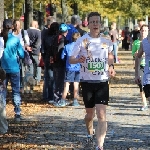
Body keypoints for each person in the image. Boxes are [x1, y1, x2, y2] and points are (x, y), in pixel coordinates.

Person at [70, 12, 115, 150]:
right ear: (88, 24)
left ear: (100, 24)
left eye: (97, 22)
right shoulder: (82, 41)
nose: (95, 24)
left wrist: (111, 66)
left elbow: (110, 55)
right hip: (87, 82)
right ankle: (90, 132)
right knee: (90, 114)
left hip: (102, 81)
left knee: (101, 114)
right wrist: (78, 59)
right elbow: (71, 59)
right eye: (93, 22)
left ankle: (99, 145)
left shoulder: (106, 40)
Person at [1, 19, 24, 122]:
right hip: (14, 68)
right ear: (12, 27)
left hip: (2, 70)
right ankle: (17, 113)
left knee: (2, 91)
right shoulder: (15, 40)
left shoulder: (0, 40)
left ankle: (2, 112)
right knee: (15, 91)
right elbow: (22, 54)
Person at [51, 23, 70, 107]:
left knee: (56, 80)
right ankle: (58, 99)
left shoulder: (55, 38)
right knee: (59, 81)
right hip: (60, 64)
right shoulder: (63, 40)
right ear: (65, 31)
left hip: (55, 63)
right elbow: (61, 52)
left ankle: (56, 98)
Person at [61, 32, 81, 107]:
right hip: (78, 68)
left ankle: (63, 100)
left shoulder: (67, 46)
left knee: (67, 84)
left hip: (69, 67)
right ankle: (75, 101)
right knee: (76, 84)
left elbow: (62, 57)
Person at [42, 22, 59, 103]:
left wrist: (44, 58)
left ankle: (48, 96)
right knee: (55, 78)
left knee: (48, 78)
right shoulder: (57, 38)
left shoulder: (46, 37)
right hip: (56, 60)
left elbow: (43, 50)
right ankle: (54, 96)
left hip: (47, 59)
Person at [12, 19, 31, 93]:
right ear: (13, 25)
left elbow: (27, 43)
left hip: (21, 54)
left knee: (22, 71)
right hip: (13, 55)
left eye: (18, 24)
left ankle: (21, 86)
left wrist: (24, 47)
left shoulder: (24, 32)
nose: (17, 26)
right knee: (15, 71)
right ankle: (16, 86)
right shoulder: (11, 33)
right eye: (16, 24)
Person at [135, 25, 150, 111]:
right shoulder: (144, 43)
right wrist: (136, 74)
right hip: (147, 77)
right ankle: (144, 104)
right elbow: (138, 57)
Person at [27, 21, 41, 86]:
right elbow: (38, 42)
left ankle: (30, 79)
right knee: (38, 66)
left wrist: (28, 48)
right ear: (35, 25)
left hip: (28, 51)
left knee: (30, 65)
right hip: (36, 51)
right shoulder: (38, 32)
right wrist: (33, 48)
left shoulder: (26, 31)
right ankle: (37, 79)